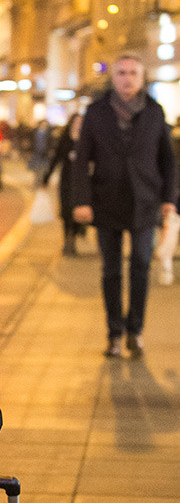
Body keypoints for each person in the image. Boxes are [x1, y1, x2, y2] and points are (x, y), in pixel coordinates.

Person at [73, 54, 177, 358]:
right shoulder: (96, 112)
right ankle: (114, 334)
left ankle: (136, 331)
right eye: (121, 72)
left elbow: (168, 161)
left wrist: (169, 199)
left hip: (146, 202)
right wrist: (81, 201)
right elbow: (81, 160)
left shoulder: (155, 112)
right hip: (106, 201)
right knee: (112, 271)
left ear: (141, 77)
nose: (127, 78)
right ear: (113, 77)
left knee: (141, 266)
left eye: (133, 72)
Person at [43, 112, 85, 255]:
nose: (78, 125)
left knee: (78, 211)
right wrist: (46, 177)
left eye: (81, 122)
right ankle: (68, 240)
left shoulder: (87, 139)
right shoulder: (65, 139)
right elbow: (56, 158)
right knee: (66, 210)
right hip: (67, 180)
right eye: (76, 122)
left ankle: (74, 236)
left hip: (82, 181)